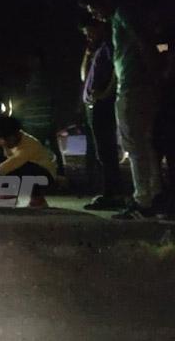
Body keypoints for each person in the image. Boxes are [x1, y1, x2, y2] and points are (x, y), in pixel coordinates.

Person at [80, 0, 163, 219]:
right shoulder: (120, 19)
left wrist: (154, 74)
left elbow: (143, 42)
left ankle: (142, 200)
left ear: (105, 0)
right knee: (143, 143)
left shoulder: (123, 15)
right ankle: (154, 194)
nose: (94, 15)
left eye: (94, 9)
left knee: (134, 143)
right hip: (135, 86)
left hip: (134, 87)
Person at [79, 19, 122, 210]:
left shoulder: (109, 47)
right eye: (86, 34)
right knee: (100, 150)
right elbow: (84, 75)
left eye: (90, 32)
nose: (88, 36)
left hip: (103, 104)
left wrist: (105, 93)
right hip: (93, 105)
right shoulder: (96, 50)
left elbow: (116, 72)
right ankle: (107, 192)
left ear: (100, 28)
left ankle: (112, 194)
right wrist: (87, 55)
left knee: (106, 150)